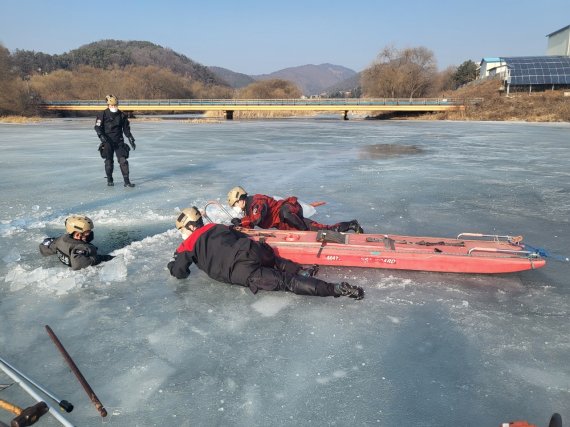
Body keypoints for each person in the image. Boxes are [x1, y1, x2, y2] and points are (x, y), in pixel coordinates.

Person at [167, 207, 364, 299]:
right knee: (275, 260)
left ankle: (336, 289)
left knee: (288, 283)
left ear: (189, 227)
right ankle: (302, 270)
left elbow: (179, 272)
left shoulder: (188, 244)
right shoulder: (217, 226)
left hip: (237, 270)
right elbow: (237, 235)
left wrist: (172, 264)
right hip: (252, 250)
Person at [226, 186, 364, 233]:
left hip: (289, 211)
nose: (236, 207)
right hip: (285, 224)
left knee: (285, 212)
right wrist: (238, 223)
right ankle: (352, 224)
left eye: (236, 204)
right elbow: (251, 222)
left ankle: (304, 232)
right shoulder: (249, 209)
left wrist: (242, 221)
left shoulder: (256, 202)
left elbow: (257, 219)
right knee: (325, 230)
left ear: (240, 200)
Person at [39, 215, 114, 270]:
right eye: (87, 232)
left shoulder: (60, 240)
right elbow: (78, 265)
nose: (90, 233)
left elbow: (44, 248)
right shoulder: (83, 247)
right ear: (78, 234)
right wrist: (103, 258)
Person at [94, 95, 137, 187]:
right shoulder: (102, 114)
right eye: (111, 105)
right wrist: (101, 135)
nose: (113, 107)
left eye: (115, 105)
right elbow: (97, 127)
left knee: (123, 161)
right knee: (109, 161)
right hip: (107, 141)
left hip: (119, 141)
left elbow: (126, 129)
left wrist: (130, 137)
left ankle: (127, 181)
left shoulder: (122, 115)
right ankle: (110, 179)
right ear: (108, 105)